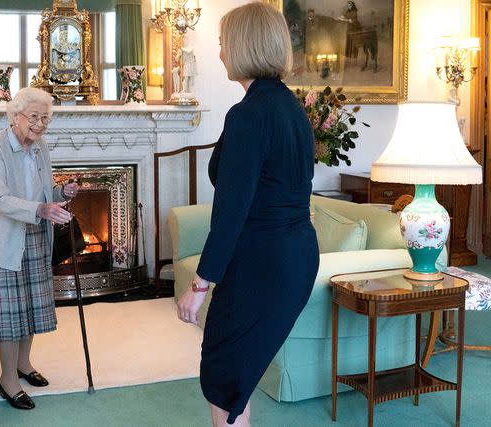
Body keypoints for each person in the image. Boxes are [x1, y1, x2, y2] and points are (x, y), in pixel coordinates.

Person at [176, 3, 320, 426]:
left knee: (224, 373)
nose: (220, 53)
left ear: (243, 46)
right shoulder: (290, 109)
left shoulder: (250, 115)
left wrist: (199, 286)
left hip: (262, 263)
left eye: (223, 44)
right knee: (238, 372)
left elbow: (230, 214)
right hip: (293, 257)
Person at [0, 87, 79, 410]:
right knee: (11, 315)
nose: (39, 124)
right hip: (7, 240)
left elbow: (45, 190)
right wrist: (40, 210)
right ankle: (7, 379)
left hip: (35, 236)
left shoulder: (40, 148)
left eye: (45, 118)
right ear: (15, 116)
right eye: (34, 117)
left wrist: (62, 191)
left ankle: (24, 365)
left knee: (31, 309)